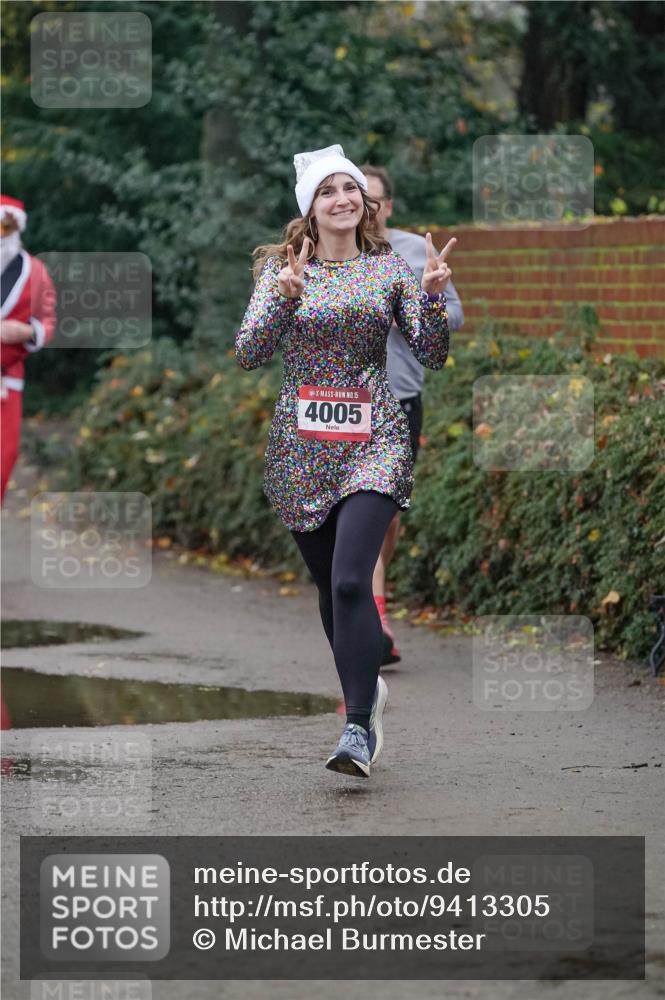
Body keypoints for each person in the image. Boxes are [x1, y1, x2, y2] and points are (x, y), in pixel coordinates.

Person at [235, 145, 454, 778]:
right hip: (301, 452)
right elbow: (249, 352)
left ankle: (357, 728)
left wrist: (433, 297)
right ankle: (367, 689)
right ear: (311, 206)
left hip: (375, 440)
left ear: (364, 202)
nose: (342, 198)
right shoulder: (283, 269)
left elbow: (432, 355)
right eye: (328, 191)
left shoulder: (388, 270)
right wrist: (281, 296)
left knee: (354, 579)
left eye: (350, 188)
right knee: (331, 591)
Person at [362, 165, 465, 664]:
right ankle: (374, 617)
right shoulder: (331, 250)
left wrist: (424, 295)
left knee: (386, 518)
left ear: (390, 204)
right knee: (355, 511)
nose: (367, 208)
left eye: (375, 200)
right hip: (342, 407)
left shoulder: (410, 250)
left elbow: (456, 316)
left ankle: (368, 606)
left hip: (399, 401)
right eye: (359, 198)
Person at [1, 195, 56, 502]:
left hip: (7, 378)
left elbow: (48, 322)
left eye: (4, 228)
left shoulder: (35, 272)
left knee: (4, 457)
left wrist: (27, 331)